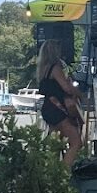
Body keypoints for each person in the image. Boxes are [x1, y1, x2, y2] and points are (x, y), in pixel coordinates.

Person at [37, 39, 84, 167]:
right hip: (57, 109)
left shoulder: (43, 70)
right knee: (76, 142)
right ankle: (62, 173)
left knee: (57, 144)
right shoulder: (55, 68)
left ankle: (50, 170)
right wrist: (77, 91)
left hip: (48, 107)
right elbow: (67, 88)